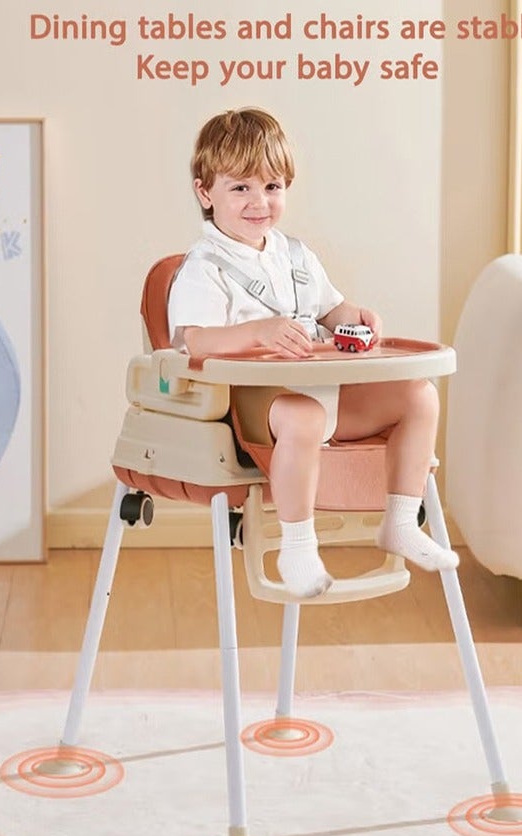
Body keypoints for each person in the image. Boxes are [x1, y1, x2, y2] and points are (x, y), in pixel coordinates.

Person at [168, 108, 459, 598]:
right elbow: (193, 341)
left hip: (328, 393)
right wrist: (257, 332)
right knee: (301, 417)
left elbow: (330, 309)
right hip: (257, 408)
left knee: (419, 396)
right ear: (205, 193)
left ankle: (402, 521)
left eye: (273, 187)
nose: (259, 202)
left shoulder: (297, 256)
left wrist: (355, 318)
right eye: (241, 188)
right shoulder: (205, 266)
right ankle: (298, 548)